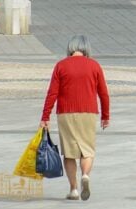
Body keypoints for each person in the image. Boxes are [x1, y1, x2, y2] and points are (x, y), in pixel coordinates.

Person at [40, 35, 110, 201]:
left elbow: (52, 93)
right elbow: (103, 93)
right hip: (88, 112)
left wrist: (45, 116)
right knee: (87, 150)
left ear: (71, 48)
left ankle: (73, 190)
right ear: (87, 48)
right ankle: (85, 175)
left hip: (66, 112)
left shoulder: (61, 66)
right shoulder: (94, 65)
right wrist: (105, 116)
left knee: (70, 153)